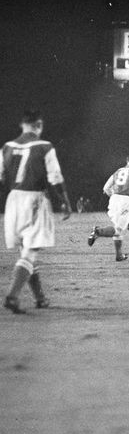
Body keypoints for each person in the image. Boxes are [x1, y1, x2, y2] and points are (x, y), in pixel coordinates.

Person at [1, 110, 72, 314]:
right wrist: (65, 202)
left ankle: (40, 298)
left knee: (26, 252)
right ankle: (13, 296)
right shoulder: (44, 146)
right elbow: (55, 177)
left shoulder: (6, 147)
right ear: (38, 125)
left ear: (22, 125)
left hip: (13, 200)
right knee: (30, 252)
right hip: (34, 199)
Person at [88, 152, 129, 261]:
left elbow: (105, 188)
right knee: (118, 229)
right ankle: (98, 231)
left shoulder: (118, 171)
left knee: (117, 229)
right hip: (126, 200)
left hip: (114, 199)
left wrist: (114, 196)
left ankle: (119, 255)